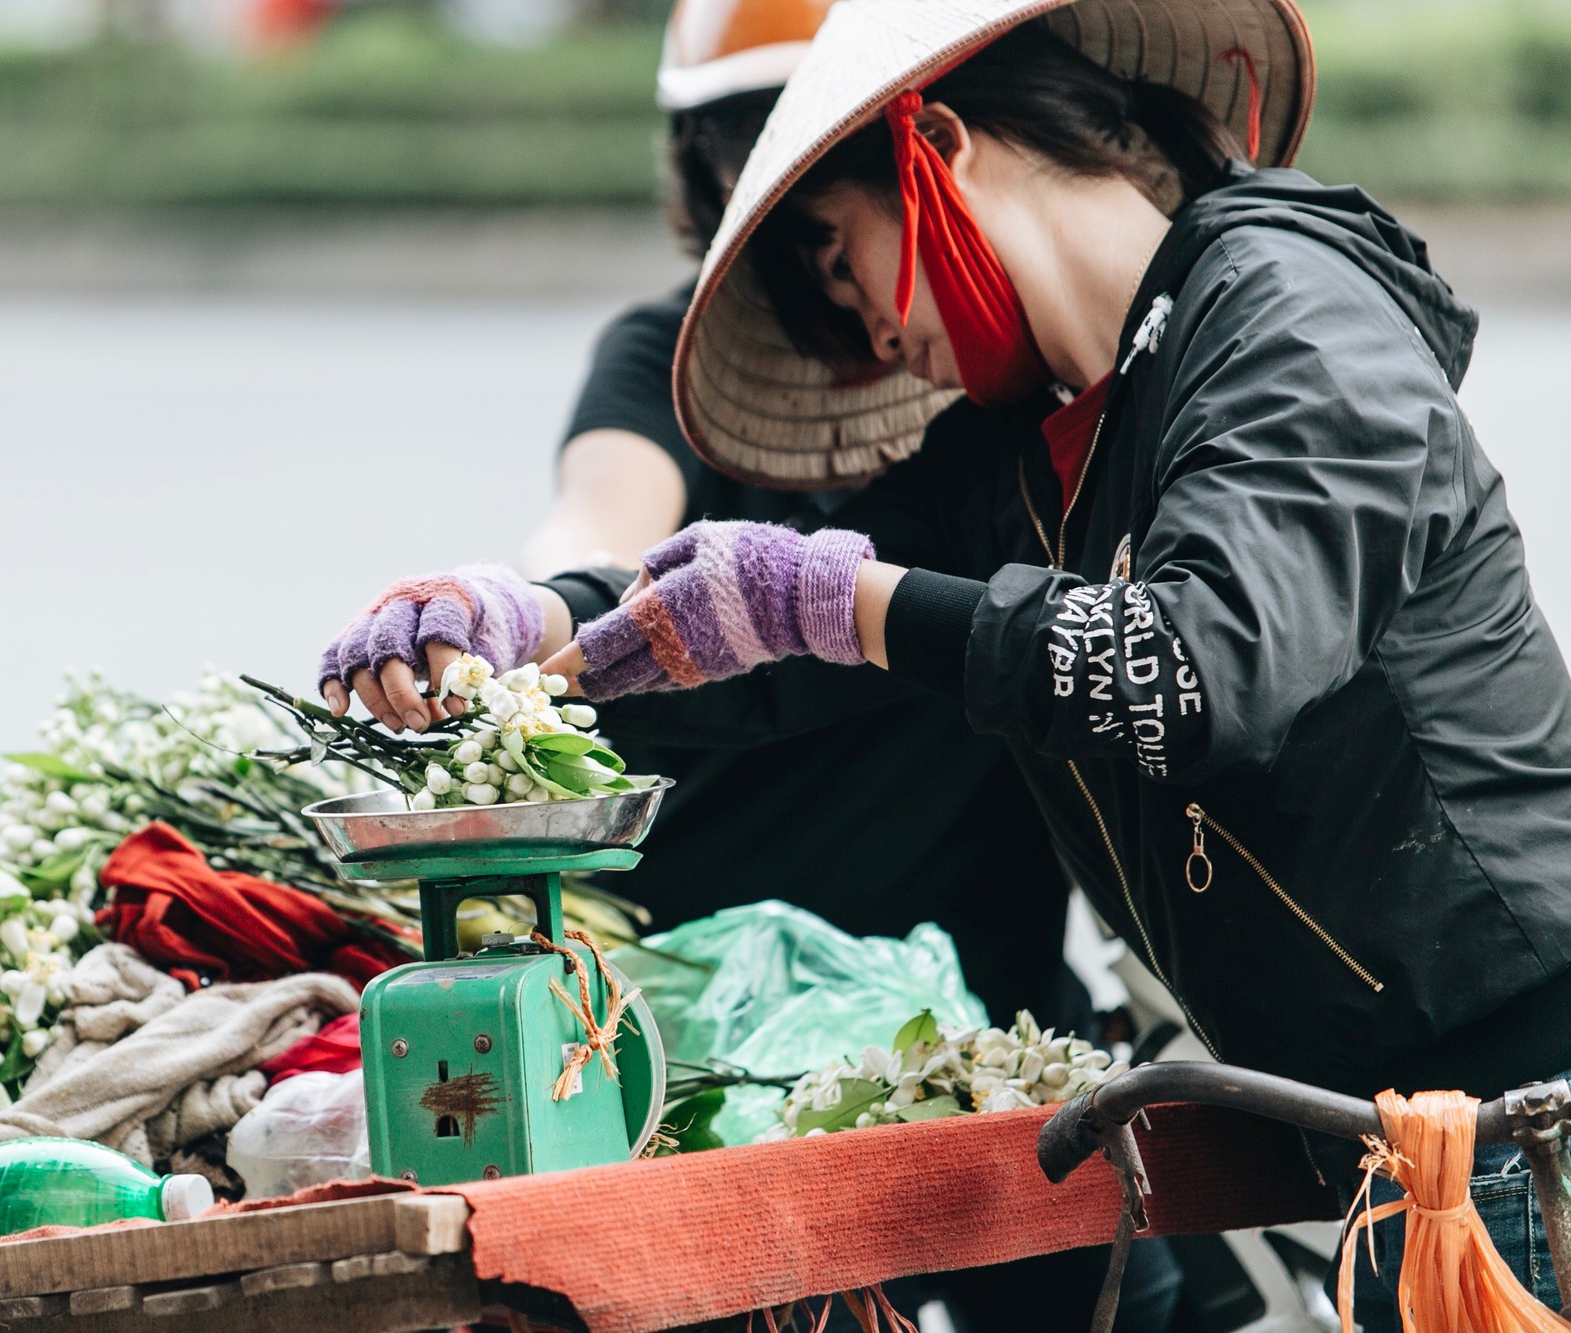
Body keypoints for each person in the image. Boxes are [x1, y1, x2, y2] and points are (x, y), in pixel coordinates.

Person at [524, 0, 1571, 1320]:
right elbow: (754, 635)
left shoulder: (1290, 320)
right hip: (1374, 1132)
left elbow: (1194, 667)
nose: (864, 337)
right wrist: (529, 635)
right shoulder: (1018, 451)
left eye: (841, 261)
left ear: (939, 145)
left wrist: (846, 602)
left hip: (1532, 1117)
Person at [314, 0, 1185, 1326]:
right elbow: (601, 520)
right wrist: (516, 608)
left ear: (929, 142)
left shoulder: (1011, 395)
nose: (782, 208)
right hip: (718, 1028)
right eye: (745, 152)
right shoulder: (662, 366)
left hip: (982, 1014)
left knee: (1145, 1291)